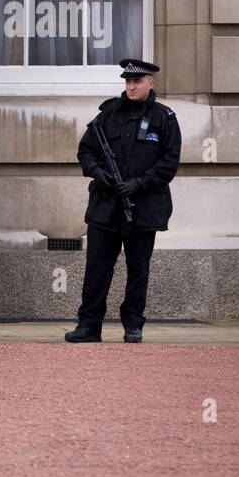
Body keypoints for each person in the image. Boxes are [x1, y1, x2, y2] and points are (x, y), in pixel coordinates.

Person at [65, 59, 181, 343]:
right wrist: (99, 174)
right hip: (105, 207)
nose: (131, 86)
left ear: (150, 83)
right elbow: (86, 151)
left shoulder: (164, 118)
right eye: (127, 81)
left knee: (138, 270)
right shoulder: (107, 115)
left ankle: (133, 325)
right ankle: (89, 326)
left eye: (137, 82)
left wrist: (138, 184)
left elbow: (169, 164)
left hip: (143, 208)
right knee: (96, 269)